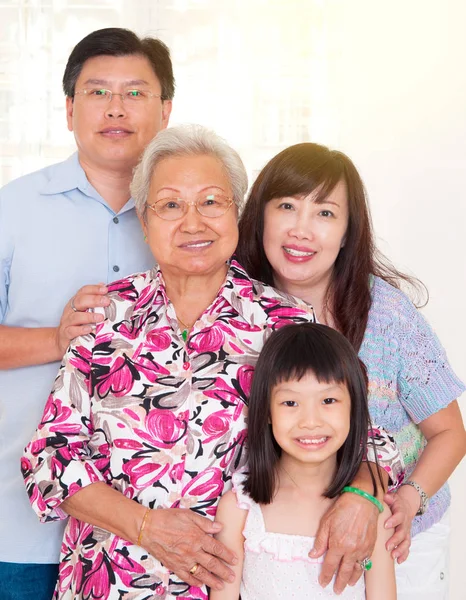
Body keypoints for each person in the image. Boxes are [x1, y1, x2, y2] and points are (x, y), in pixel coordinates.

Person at [21, 125, 401, 600]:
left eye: (211, 202)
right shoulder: (104, 314)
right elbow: (50, 460)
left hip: (230, 588)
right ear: (144, 220)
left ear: (237, 213)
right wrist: (145, 526)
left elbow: (366, 438)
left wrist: (363, 495)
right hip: (103, 582)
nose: (193, 222)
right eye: (171, 205)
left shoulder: (284, 321)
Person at [236, 141, 466, 599]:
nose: (302, 229)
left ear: (346, 232)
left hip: (398, 542)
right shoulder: (235, 309)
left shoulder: (388, 314)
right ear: (260, 216)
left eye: (324, 213)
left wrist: (405, 499)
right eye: (286, 206)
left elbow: (450, 432)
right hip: (280, 542)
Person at [0, 27, 174, 599]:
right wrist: (57, 338)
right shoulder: (13, 209)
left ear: (166, 110)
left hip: (151, 536)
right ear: (70, 108)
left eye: (136, 92)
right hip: (20, 528)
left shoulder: (195, 222)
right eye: (98, 92)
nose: (116, 108)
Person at [212, 323, 396, 599]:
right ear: (267, 411)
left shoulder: (371, 513)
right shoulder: (239, 509)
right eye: (290, 403)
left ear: (354, 407)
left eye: (329, 400)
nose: (310, 421)